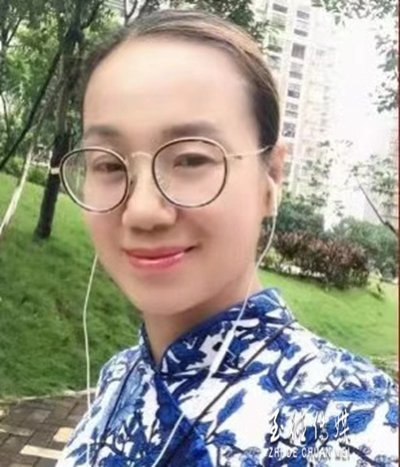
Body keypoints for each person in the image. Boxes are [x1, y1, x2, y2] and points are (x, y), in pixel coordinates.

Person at [56, 9, 398, 467]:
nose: (142, 210)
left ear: (271, 175)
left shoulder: (355, 428)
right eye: (109, 165)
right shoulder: (121, 375)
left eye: (191, 159)